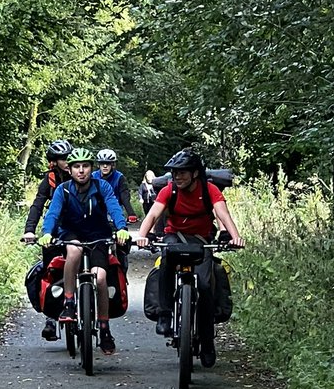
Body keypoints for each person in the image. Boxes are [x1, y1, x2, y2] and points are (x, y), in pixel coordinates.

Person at [135, 148, 243, 368]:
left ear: (195, 173)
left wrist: (235, 236)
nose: (177, 177)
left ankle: (207, 340)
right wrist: (142, 236)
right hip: (175, 236)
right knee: (166, 261)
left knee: (204, 285)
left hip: (202, 239)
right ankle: (165, 314)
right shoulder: (169, 190)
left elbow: (222, 213)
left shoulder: (209, 189)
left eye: (182, 173)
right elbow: (153, 214)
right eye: (174, 173)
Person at [23, 148, 130, 355]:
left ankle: (105, 329)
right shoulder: (63, 190)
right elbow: (52, 213)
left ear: (91, 168)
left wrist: (122, 228)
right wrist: (46, 233)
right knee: (73, 252)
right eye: (76, 167)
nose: (81, 171)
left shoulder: (102, 186)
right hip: (71, 234)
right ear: (70, 170)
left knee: (100, 279)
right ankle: (69, 303)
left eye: (85, 166)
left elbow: (114, 207)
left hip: (98, 235)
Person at [23, 139, 74, 341]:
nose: (67, 162)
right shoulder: (49, 181)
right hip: (53, 229)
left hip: (79, 228)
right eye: (63, 158)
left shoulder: (81, 175)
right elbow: (37, 205)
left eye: (68, 157)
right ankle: (51, 319)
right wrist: (29, 230)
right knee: (50, 269)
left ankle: (92, 307)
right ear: (54, 161)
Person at [94, 149, 133, 271]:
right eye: (102, 163)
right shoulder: (92, 176)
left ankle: (121, 272)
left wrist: (131, 213)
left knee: (122, 243)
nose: (105, 166)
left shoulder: (119, 177)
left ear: (113, 165)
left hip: (114, 214)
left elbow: (124, 195)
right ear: (98, 164)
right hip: (97, 213)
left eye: (108, 163)